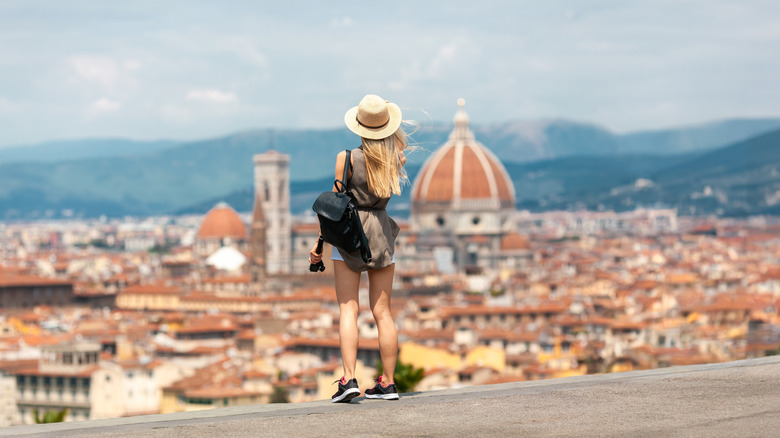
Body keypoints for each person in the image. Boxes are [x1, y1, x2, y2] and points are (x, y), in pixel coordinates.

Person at [309, 94, 409, 403]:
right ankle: (388, 383)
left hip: (350, 234)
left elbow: (335, 206)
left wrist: (319, 244)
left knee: (348, 307)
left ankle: (349, 379)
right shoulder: (397, 158)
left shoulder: (347, 158)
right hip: (381, 232)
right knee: (383, 311)